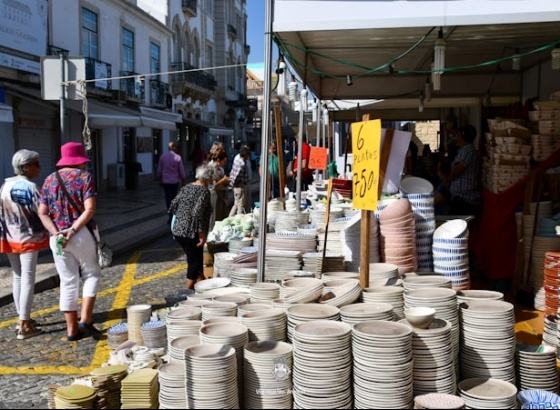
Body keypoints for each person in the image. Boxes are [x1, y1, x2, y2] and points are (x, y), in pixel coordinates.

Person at [38, 142, 102, 342]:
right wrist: (72, 230)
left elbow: (42, 212)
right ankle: (86, 319)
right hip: (80, 234)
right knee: (91, 273)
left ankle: (72, 331)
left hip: (57, 238)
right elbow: (89, 209)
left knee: (68, 281)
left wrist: (57, 232)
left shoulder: (49, 180)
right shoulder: (85, 177)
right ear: (80, 161)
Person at [0, 150, 49, 340]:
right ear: (26, 166)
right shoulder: (30, 187)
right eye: (37, 163)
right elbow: (41, 211)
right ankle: (25, 325)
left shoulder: (5, 185)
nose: (40, 167)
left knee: (18, 277)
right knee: (28, 278)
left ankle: (22, 318)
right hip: (28, 237)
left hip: (9, 237)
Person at [169, 164, 214, 290]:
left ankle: (202, 288)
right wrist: (201, 235)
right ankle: (188, 292)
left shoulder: (186, 187)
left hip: (178, 230)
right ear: (207, 178)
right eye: (211, 178)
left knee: (197, 260)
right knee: (194, 264)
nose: (212, 181)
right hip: (191, 233)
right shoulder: (204, 192)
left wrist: (183, 213)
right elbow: (197, 213)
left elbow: (173, 205)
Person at [448, 124, 482, 216]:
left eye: (458, 134)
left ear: (462, 136)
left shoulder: (467, 151)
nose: (456, 137)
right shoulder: (464, 150)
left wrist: (449, 179)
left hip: (464, 199)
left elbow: (458, 170)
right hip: (462, 199)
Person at [157, 141, 186, 221]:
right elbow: (181, 171)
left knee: (168, 199)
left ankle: (170, 216)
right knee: (174, 199)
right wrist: (183, 180)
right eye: (176, 147)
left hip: (166, 182)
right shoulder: (178, 157)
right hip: (175, 182)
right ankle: (174, 216)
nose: (176, 148)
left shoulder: (162, 157)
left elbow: (159, 170)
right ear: (173, 147)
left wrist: (159, 179)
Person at [208, 150, 230, 230]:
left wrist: (226, 181)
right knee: (214, 218)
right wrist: (222, 181)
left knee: (222, 219)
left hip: (222, 196)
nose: (225, 163)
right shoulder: (211, 168)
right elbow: (211, 187)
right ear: (218, 160)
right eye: (224, 161)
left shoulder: (220, 169)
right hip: (214, 196)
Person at [228, 146, 251, 216]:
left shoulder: (237, 161)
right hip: (240, 186)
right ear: (246, 155)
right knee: (241, 205)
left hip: (236, 187)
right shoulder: (242, 164)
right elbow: (236, 176)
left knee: (236, 204)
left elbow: (232, 173)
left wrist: (231, 184)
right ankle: (239, 219)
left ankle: (230, 218)